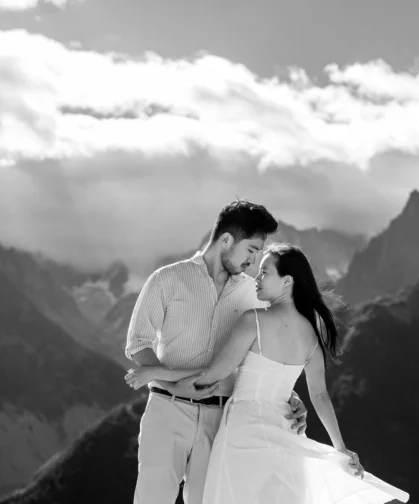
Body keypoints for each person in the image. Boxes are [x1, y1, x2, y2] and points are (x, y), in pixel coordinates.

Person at [125, 243, 409, 504]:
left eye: (264, 272)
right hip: (285, 430)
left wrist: (154, 372)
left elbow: (212, 375)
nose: (256, 279)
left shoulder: (255, 321)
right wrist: (340, 449)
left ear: (287, 281)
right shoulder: (313, 332)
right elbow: (320, 395)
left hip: (241, 431)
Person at [125, 200, 312, 504]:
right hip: (168, 410)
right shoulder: (167, 279)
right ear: (226, 240)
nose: (253, 263)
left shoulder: (253, 294)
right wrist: (176, 385)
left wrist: (289, 396)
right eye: (251, 250)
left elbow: (263, 356)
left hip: (223, 420)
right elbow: (138, 343)